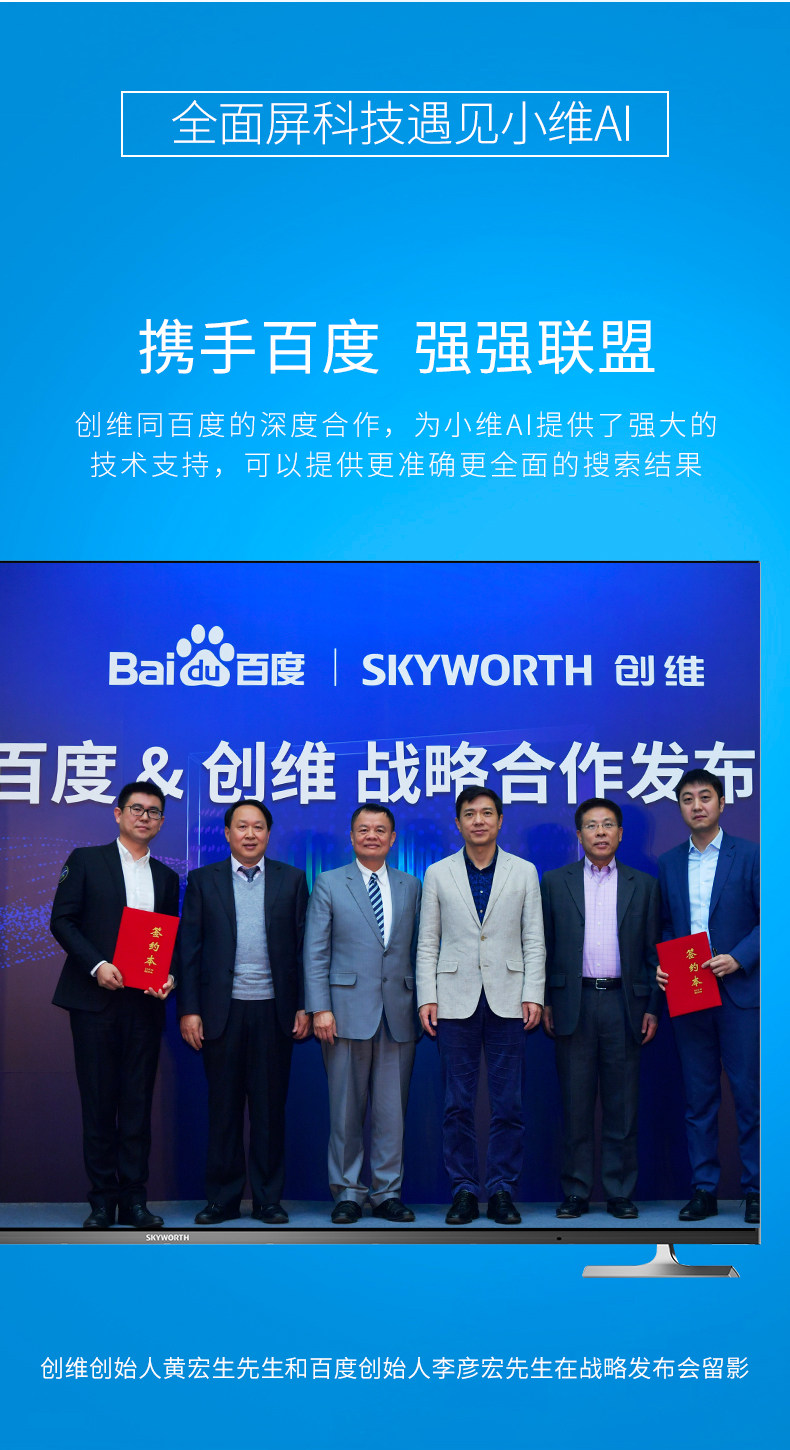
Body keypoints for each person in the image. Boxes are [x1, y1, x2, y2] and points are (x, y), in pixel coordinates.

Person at [50, 781, 180, 1230]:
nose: (145, 817)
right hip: (94, 1002)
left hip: (144, 1006)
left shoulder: (166, 877)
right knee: (99, 1104)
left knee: (138, 1105)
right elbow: (62, 920)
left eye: (154, 812)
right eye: (137, 809)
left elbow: (168, 939)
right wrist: (97, 965)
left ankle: (135, 1200)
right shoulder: (87, 860)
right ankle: (102, 1201)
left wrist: (169, 977)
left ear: (161, 822)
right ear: (118, 813)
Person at [176, 799, 309, 1225]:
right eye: (241, 826)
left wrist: (305, 1005)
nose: (250, 834)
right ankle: (223, 1199)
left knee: (270, 1112)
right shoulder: (203, 880)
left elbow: (305, 949)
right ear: (228, 833)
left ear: (268, 833)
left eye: (258, 827)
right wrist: (189, 1009)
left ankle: (268, 1199)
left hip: (275, 1012)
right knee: (224, 1111)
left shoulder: (292, 879)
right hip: (222, 1012)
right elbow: (188, 950)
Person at [416, 787, 544, 1226]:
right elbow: (427, 941)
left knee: (508, 1104)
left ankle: (503, 1189)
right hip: (454, 1000)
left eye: (487, 813)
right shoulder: (438, 873)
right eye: (469, 814)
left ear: (500, 820)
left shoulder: (524, 871)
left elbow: (534, 938)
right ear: (458, 823)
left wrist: (534, 993)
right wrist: (427, 996)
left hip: (510, 997)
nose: (479, 821)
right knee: (457, 1104)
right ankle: (465, 1190)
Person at [540, 798, 662, 1220]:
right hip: (573, 1001)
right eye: (591, 825)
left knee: (622, 1105)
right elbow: (543, 946)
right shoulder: (555, 882)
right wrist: (547, 999)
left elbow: (654, 951)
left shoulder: (643, 884)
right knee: (575, 1105)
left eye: (608, 824)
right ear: (579, 835)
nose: (600, 832)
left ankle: (619, 1191)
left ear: (621, 833)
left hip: (624, 1003)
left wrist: (652, 1006)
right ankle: (576, 1190)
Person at [303, 804, 421, 1224]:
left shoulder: (411, 885)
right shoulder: (330, 882)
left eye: (380, 830)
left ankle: (387, 1192)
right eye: (364, 829)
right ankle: (348, 1193)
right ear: (351, 837)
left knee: (392, 1113)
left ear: (393, 838)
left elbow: (418, 950)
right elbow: (315, 950)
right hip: (344, 1013)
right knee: (345, 1110)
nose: (372, 836)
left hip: (398, 1013)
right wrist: (320, 1007)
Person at [657, 769, 759, 1223]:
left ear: (721, 803)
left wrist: (739, 958)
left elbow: (774, 918)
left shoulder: (751, 855)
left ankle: (757, 1189)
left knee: (749, 1096)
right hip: (689, 989)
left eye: (705, 797)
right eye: (687, 799)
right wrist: (662, 963)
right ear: (679, 807)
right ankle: (703, 1189)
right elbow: (666, 924)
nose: (696, 806)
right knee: (698, 1099)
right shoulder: (669, 862)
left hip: (740, 992)